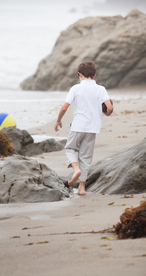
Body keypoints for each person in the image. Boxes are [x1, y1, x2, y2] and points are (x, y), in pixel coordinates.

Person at [54, 61, 113, 196]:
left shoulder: (75, 88)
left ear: (79, 74)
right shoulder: (101, 89)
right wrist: (107, 113)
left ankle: (75, 170)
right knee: (86, 157)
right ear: (95, 74)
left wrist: (58, 120)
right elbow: (109, 108)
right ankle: (81, 187)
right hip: (93, 128)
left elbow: (64, 107)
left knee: (70, 148)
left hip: (78, 126)